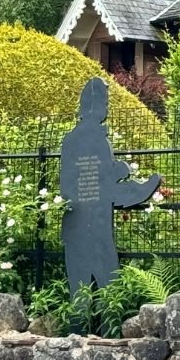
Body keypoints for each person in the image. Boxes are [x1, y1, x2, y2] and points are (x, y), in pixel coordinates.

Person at [60, 78, 162, 300]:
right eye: (105, 103)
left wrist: (115, 172)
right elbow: (104, 186)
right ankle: (107, 331)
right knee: (109, 288)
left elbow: (70, 184)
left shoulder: (69, 140)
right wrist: (125, 177)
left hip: (74, 228)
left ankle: (77, 331)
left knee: (78, 290)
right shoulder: (97, 140)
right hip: (97, 227)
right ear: (96, 106)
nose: (106, 109)